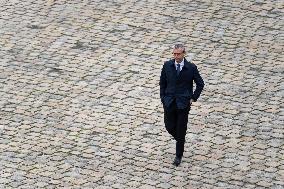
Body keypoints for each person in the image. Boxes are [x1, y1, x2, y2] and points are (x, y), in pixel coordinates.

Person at [159, 44, 204, 166]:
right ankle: (181, 140)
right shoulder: (167, 65)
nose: (176, 56)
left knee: (181, 129)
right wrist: (163, 98)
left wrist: (193, 98)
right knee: (169, 126)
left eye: (178, 54)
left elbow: (200, 84)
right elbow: (162, 83)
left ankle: (178, 155)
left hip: (183, 104)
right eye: (174, 54)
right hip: (169, 102)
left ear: (184, 53)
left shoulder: (191, 68)